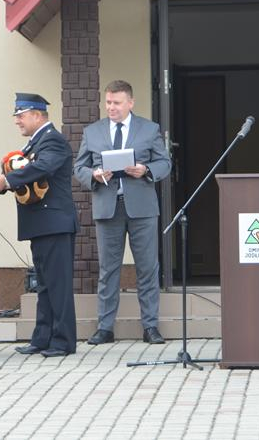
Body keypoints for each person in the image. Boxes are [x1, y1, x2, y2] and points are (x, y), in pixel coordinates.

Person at [73, 80, 172, 345]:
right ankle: (105, 328)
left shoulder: (149, 129)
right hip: (107, 207)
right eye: (108, 102)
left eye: (116, 103)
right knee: (108, 270)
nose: (111, 107)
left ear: (130, 102)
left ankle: (150, 326)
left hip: (142, 208)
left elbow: (165, 162)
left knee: (147, 268)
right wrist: (93, 175)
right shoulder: (92, 132)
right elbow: (79, 167)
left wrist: (146, 170)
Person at [0, 93, 77, 357]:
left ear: (37, 115)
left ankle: (62, 341)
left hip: (54, 223)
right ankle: (42, 338)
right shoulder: (36, 142)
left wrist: (7, 181)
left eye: (21, 115)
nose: (17, 120)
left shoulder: (52, 140)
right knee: (45, 285)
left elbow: (43, 168)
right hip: (43, 224)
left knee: (58, 285)